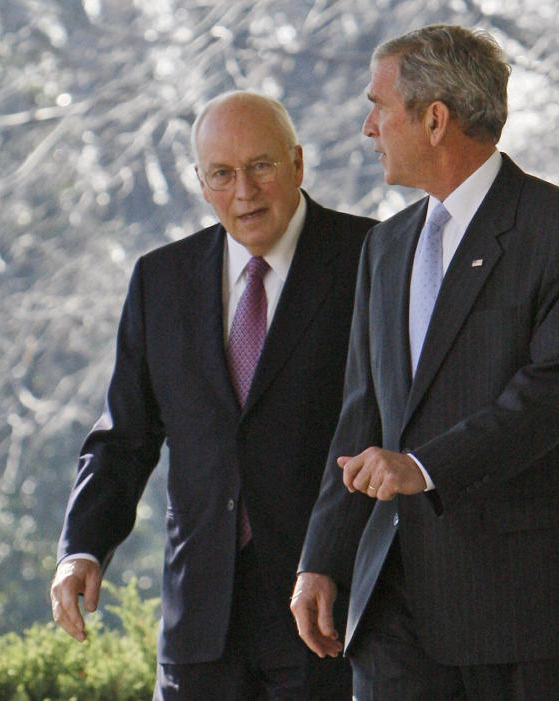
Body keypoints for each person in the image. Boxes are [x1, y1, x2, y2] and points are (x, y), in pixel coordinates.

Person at [51, 91, 375, 700]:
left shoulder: (371, 258)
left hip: (328, 612)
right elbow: (124, 437)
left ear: (298, 164)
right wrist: (83, 548)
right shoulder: (160, 279)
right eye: (223, 174)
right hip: (199, 623)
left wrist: (332, 558)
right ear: (201, 182)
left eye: (261, 166)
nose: (245, 191)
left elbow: (386, 425)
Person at [292, 24, 559, 699]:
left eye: (379, 106)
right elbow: (363, 415)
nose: (367, 127)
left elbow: (547, 394)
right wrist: (321, 559)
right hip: (389, 603)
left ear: (435, 118)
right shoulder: (386, 247)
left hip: (514, 607)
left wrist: (424, 467)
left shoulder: (549, 227)